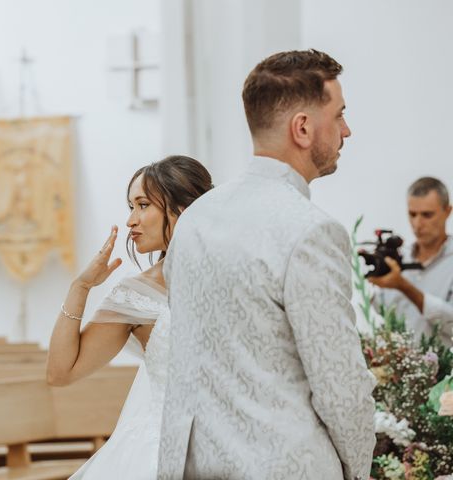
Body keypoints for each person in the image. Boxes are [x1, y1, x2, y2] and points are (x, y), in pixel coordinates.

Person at [157, 49, 376, 480]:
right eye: (339, 114)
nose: (347, 130)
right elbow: (340, 385)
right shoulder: (309, 231)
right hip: (284, 466)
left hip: (190, 463)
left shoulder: (196, 218)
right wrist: (358, 468)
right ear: (303, 128)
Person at [46, 155, 213, 480]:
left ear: (183, 207)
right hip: (160, 454)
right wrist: (80, 287)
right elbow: (60, 372)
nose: (130, 221)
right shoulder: (136, 294)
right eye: (130, 206)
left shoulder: (235, 272)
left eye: (142, 205)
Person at [368, 177, 453, 347]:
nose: (417, 224)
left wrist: (404, 287)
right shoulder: (398, 258)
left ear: (448, 211)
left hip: (442, 371)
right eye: (412, 214)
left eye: (427, 215)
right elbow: (383, 312)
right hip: (393, 369)